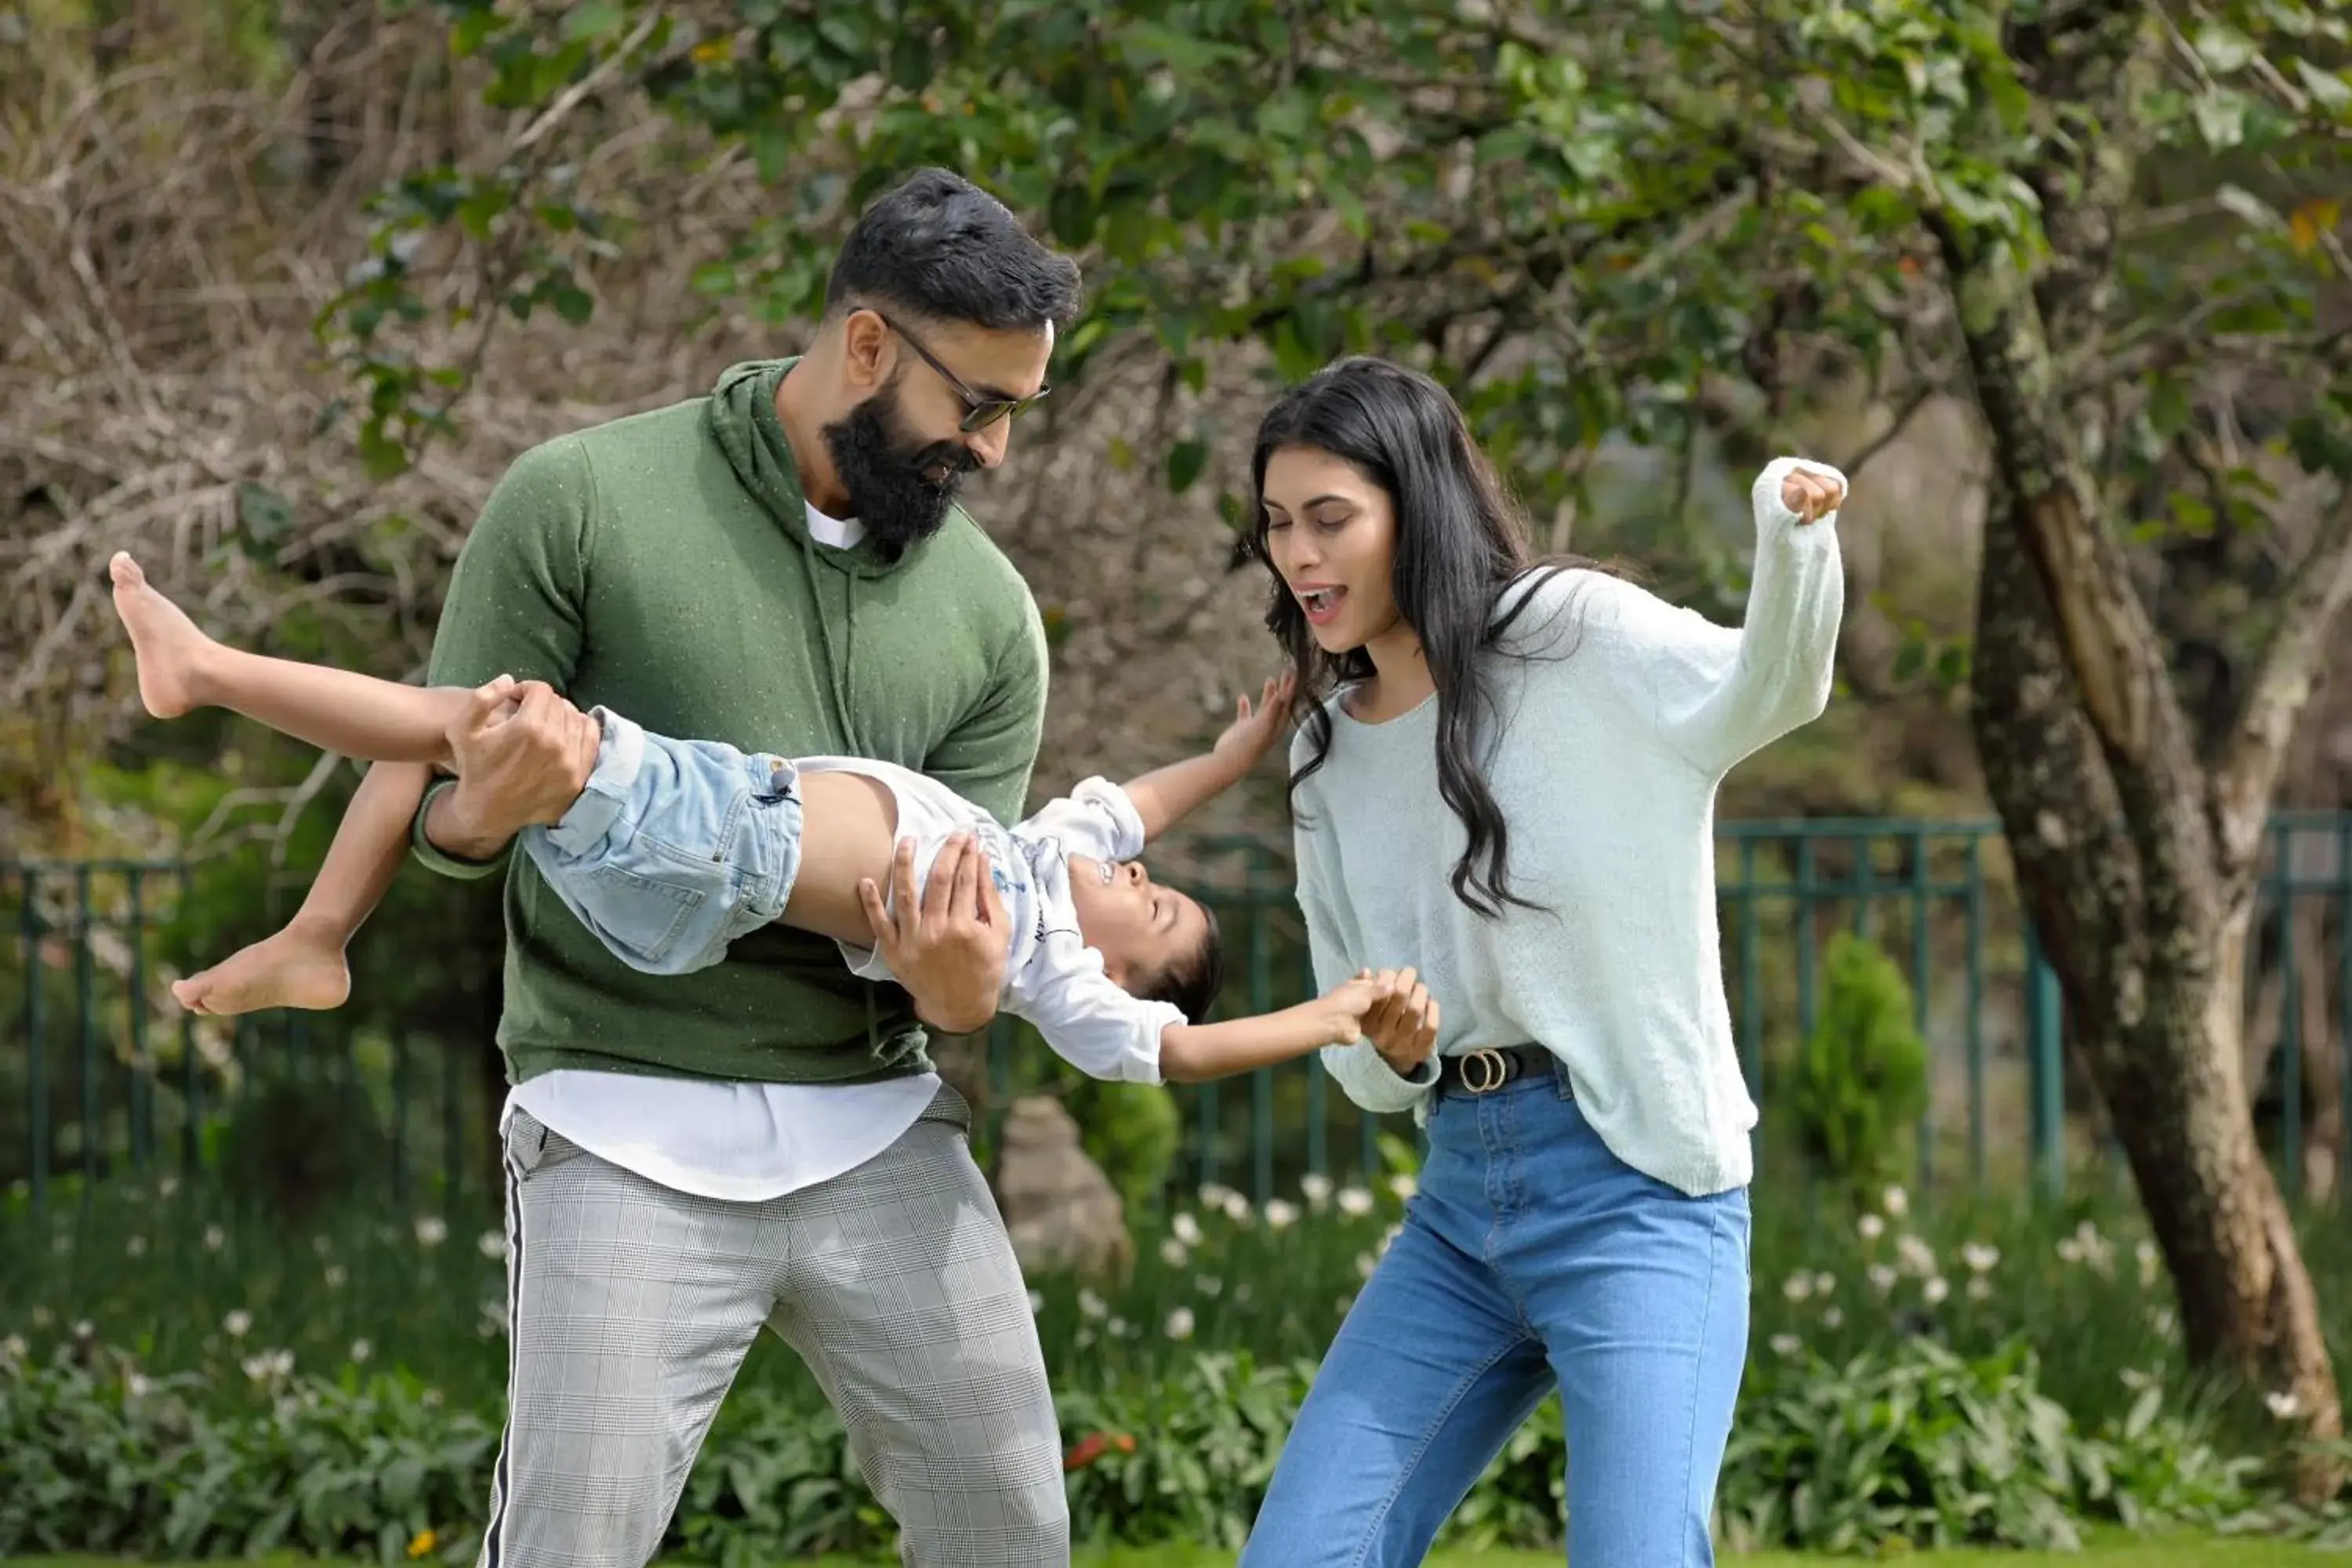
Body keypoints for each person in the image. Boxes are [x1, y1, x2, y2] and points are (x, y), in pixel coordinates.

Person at [180, 169, 1088, 1567]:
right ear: (865, 348)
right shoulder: (582, 500)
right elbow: (440, 792)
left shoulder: (992, 622)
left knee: (1015, 1529)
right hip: (620, 1117)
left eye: (1017, 414)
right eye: (977, 406)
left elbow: (961, 960)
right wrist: (476, 825)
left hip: (875, 1127)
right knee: (568, 1545)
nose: (995, 452)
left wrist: (962, 991)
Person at [1236, 356, 1849, 1567]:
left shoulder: (1573, 633)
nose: (1298, 556)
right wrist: (1392, 1049)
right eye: (1275, 525)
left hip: (1640, 1199)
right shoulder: (1324, 756)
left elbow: (1766, 690)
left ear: (1417, 507)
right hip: (1461, 1212)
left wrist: (1790, 533)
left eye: (1330, 519)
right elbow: (1358, 1058)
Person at [106, 555, 1386, 1081]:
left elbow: (1183, 1056)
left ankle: (209, 675)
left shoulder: (1051, 966)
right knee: (472, 715)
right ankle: (322, 933)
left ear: (1124, 974)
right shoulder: (1055, 853)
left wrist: (1328, 1019)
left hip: (722, 845)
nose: (1139, 868)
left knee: (471, 721)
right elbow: (1138, 804)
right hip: (714, 821)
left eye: (1153, 904)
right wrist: (1234, 753)